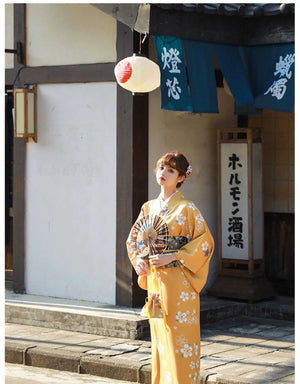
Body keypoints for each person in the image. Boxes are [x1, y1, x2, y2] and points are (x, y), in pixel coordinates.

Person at [126, 151, 214, 384]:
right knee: (160, 343)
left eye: (171, 170)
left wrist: (173, 256)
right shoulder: (148, 208)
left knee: (179, 341)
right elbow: (134, 240)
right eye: (161, 168)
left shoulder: (187, 208)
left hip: (179, 284)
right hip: (156, 283)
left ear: (181, 177)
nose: (163, 173)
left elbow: (205, 243)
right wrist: (140, 261)